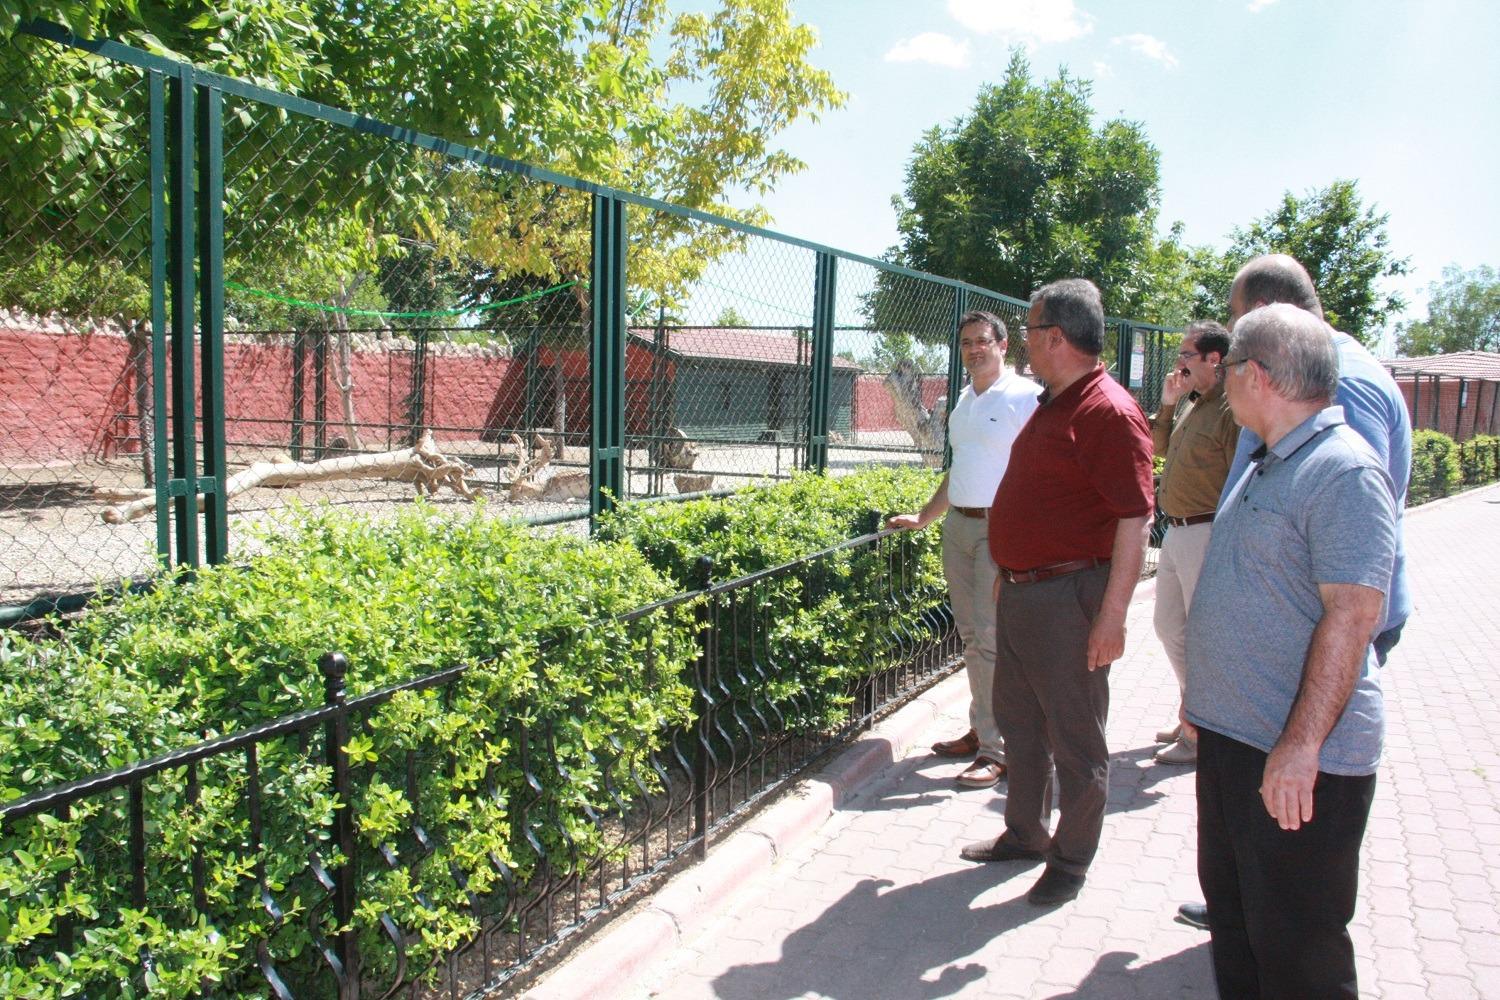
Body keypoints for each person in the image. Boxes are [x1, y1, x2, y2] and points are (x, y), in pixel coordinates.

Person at [1175, 252, 1414, 932]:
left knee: (1296, 938)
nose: (1218, 375)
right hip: (1243, 724)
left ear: (1258, 369)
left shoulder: (1339, 452)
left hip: (1290, 730)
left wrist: (1303, 744)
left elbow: (1350, 607)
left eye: (1230, 358)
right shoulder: (1271, 451)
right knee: (1246, 920)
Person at [958, 278, 1154, 907]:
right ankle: (1025, 833)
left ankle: (1070, 862)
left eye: (1030, 329)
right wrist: (1009, 576)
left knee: (1075, 738)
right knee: (1020, 724)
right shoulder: (1054, 403)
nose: (1024, 342)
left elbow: (1135, 518)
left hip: (1070, 599)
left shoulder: (1108, 412)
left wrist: (1112, 616)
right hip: (1023, 593)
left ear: (1055, 337)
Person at [886, 311, 1040, 788]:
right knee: (972, 637)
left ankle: (999, 750)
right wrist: (924, 516)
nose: (974, 349)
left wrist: (1019, 538)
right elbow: (962, 468)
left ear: (1003, 345)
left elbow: (1039, 472)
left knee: (991, 640)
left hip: (1000, 529)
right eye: (967, 342)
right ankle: (982, 730)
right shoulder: (964, 400)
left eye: (983, 341)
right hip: (959, 527)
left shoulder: (1025, 397)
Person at [1149, 320, 1238, 766]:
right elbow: (1157, 448)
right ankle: (1193, 712)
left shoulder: (1230, 410)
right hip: (1176, 530)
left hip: (1205, 532)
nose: (1179, 362)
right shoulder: (1194, 403)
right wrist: (1168, 405)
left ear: (1213, 359)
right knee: (1168, 625)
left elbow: (1239, 477)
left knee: (1199, 636)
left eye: (1187, 354)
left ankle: (1201, 730)